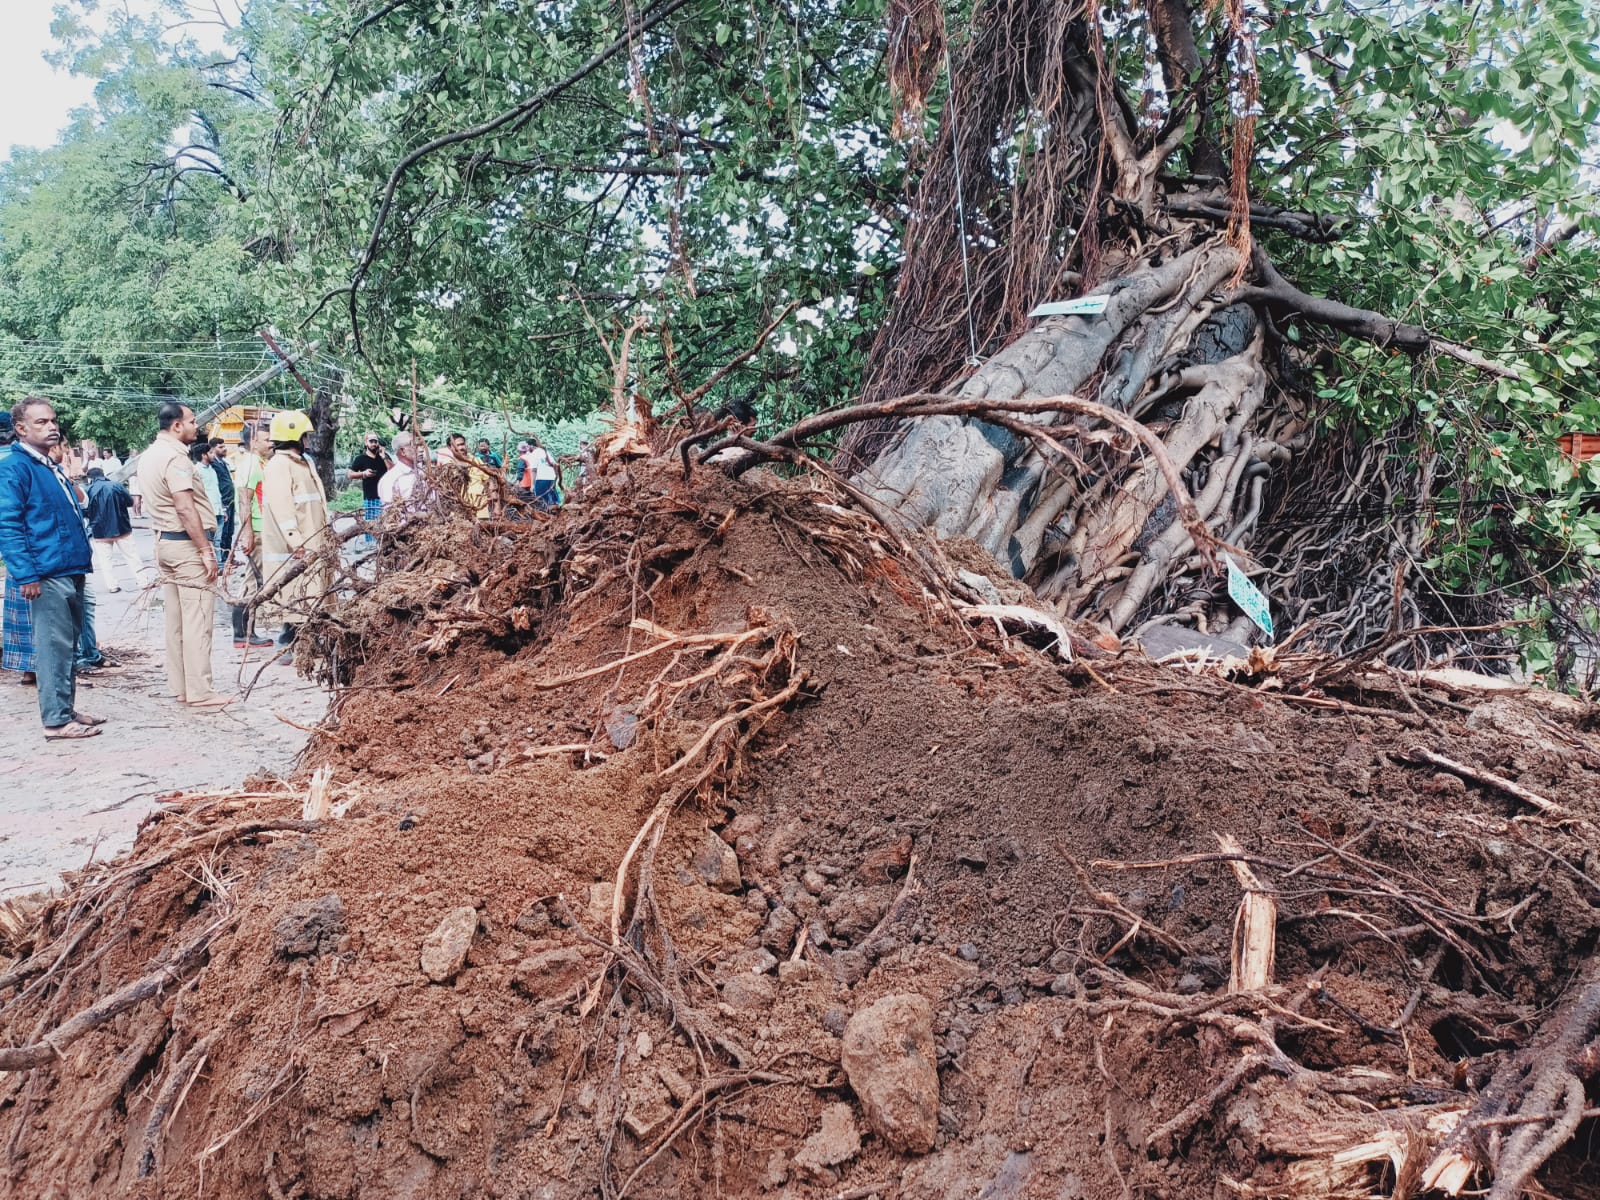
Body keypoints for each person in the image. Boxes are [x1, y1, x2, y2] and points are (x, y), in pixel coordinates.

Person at [0, 399, 104, 739]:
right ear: (21, 428)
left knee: (68, 645)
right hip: (46, 573)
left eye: (53, 420)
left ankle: (65, 708)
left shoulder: (47, 466)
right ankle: (56, 721)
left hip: (68, 566)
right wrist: (25, 573)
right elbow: (8, 523)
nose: (51, 427)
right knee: (52, 646)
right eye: (41, 422)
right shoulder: (14, 468)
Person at [139, 401, 230, 710]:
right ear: (176, 425)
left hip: (166, 544)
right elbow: (184, 506)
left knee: (176, 622)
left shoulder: (150, 455)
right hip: (187, 546)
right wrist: (205, 550)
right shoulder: (175, 457)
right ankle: (201, 691)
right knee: (198, 620)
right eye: (192, 421)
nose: (196, 427)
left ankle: (182, 688)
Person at [260, 410, 330, 659]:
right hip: (299, 545)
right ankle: (289, 641)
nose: (308, 441)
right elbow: (283, 507)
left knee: (312, 592)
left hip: (314, 538)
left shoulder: (302, 463)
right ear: (294, 437)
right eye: (305, 436)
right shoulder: (279, 466)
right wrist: (295, 540)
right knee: (297, 592)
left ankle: (306, 640)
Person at [229, 424, 273, 649]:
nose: (271, 443)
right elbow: (244, 500)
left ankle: (247, 631)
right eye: (267, 439)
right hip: (256, 530)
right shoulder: (250, 464)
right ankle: (243, 633)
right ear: (253, 441)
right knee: (252, 580)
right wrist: (247, 533)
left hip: (260, 528)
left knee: (256, 580)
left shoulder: (259, 463)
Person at [0, 412, 35, 687]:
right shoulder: (16, 462)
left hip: (13, 549)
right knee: (34, 609)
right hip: (24, 546)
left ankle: (26, 668)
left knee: (18, 611)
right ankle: (36, 668)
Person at [85, 467, 144, 594]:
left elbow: (84, 510)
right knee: (132, 556)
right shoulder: (116, 486)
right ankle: (143, 580)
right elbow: (130, 502)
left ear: (90, 478)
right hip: (121, 526)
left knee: (105, 560)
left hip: (100, 531)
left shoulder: (88, 490)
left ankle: (112, 585)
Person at [376, 430, 424, 509]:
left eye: (421, 446)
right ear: (402, 451)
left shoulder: (422, 473)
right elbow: (391, 514)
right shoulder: (390, 480)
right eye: (416, 446)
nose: (421, 449)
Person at [349, 433, 390, 525]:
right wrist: (364, 474)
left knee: (387, 524)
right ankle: (371, 540)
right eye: (371, 442)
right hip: (371, 496)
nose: (374, 444)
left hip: (386, 496)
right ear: (366, 443)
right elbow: (350, 475)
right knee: (371, 525)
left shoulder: (384, 456)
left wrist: (384, 457)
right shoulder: (360, 459)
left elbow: (392, 470)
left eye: (375, 442)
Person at [210, 438, 236, 566]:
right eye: (220, 447)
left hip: (231, 500)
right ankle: (222, 561)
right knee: (223, 532)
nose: (224, 449)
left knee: (230, 531)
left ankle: (229, 557)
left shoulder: (224, 462)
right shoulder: (213, 464)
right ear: (213, 448)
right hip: (223, 501)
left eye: (224, 446)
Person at [519, 435, 561, 508]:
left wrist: (532, 485)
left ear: (532, 446)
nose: (527, 449)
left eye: (528, 447)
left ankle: (546, 514)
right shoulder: (545, 452)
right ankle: (555, 513)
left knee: (541, 499)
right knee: (552, 497)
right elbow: (554, 464)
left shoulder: (534, 454)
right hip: (551, 478)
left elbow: (533, 470)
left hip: (541, 478)